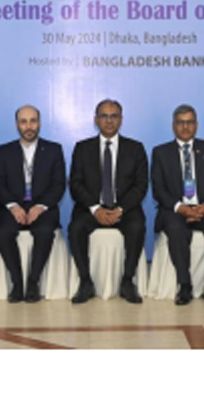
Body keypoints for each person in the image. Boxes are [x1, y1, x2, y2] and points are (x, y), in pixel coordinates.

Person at [69, 99, 148, 304]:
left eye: (114, 116)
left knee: (137, 226)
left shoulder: (136, 148)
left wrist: (120, 209)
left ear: (121, 120)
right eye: (104, 116)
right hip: (91, 209)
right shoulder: (82, 148)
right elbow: (75, 184)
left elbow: (140, 186)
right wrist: (96, 209)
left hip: (125, 209)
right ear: (96, 120)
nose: (109, 121)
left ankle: (127, 281)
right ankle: (85, 282)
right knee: (76, 227)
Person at [151, 104, 204, 305]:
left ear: (196, 125)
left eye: (190, 122)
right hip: (175, 209)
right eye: (180, 122)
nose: (185, 127)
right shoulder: (160, 152)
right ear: (173, 125)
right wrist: (181, 208)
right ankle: (184, 285)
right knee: (176, 229)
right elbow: (158, 190)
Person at [0, 105, 66, 303]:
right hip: (13, 207)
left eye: (33, 121)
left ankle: (33, 282)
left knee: (44, 232)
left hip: (43, 207)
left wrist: (41, 206)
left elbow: (58, 184)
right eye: (24, 121)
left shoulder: (53, 150)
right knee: (3, 233)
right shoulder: (4, 151)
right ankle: (17, 283)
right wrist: (12, 206)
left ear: (39, 123)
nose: (29, 126)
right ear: (17, 125)